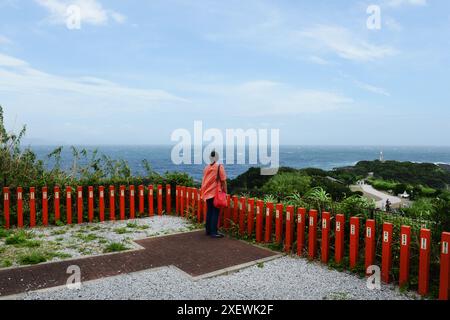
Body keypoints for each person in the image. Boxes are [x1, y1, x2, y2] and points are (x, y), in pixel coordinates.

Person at [201, 150, 227, 238]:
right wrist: (225, 193)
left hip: (207, 193)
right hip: (215, 194)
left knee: (209, 212)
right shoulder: (219, 167)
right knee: (215, 212)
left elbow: (204, 181)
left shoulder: (206, 168)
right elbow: (223, 181)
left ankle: (208, 231)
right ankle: (214, 232)